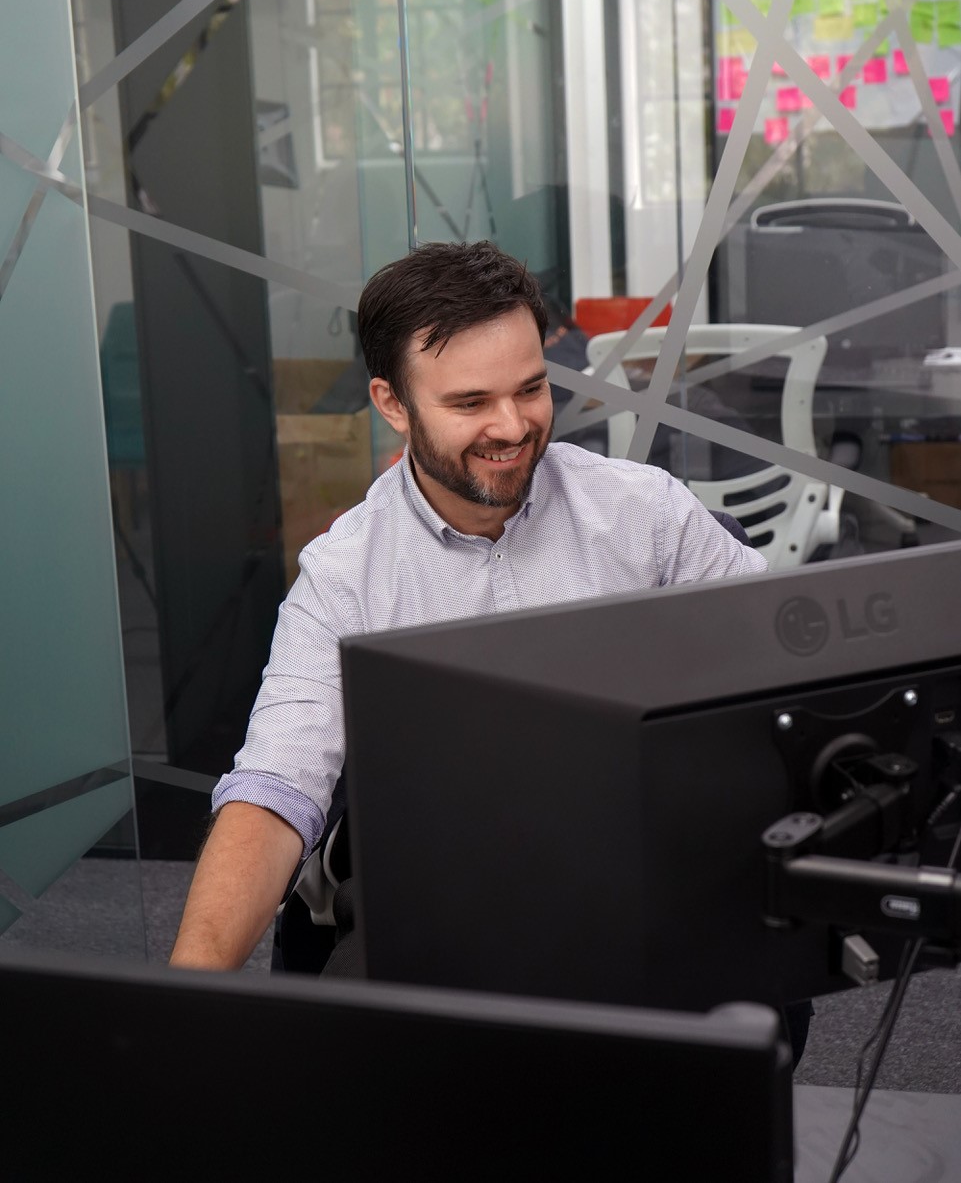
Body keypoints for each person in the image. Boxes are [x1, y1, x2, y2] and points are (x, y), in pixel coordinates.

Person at [169, 240, 767, 975]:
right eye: (470, 403)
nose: (512, 427)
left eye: (530, 389)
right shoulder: (345, 576)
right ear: (392, 403)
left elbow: (780, 665)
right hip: (448, 910)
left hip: (640, 882)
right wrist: (191, 987)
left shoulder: (643, 513)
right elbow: (275, 787)